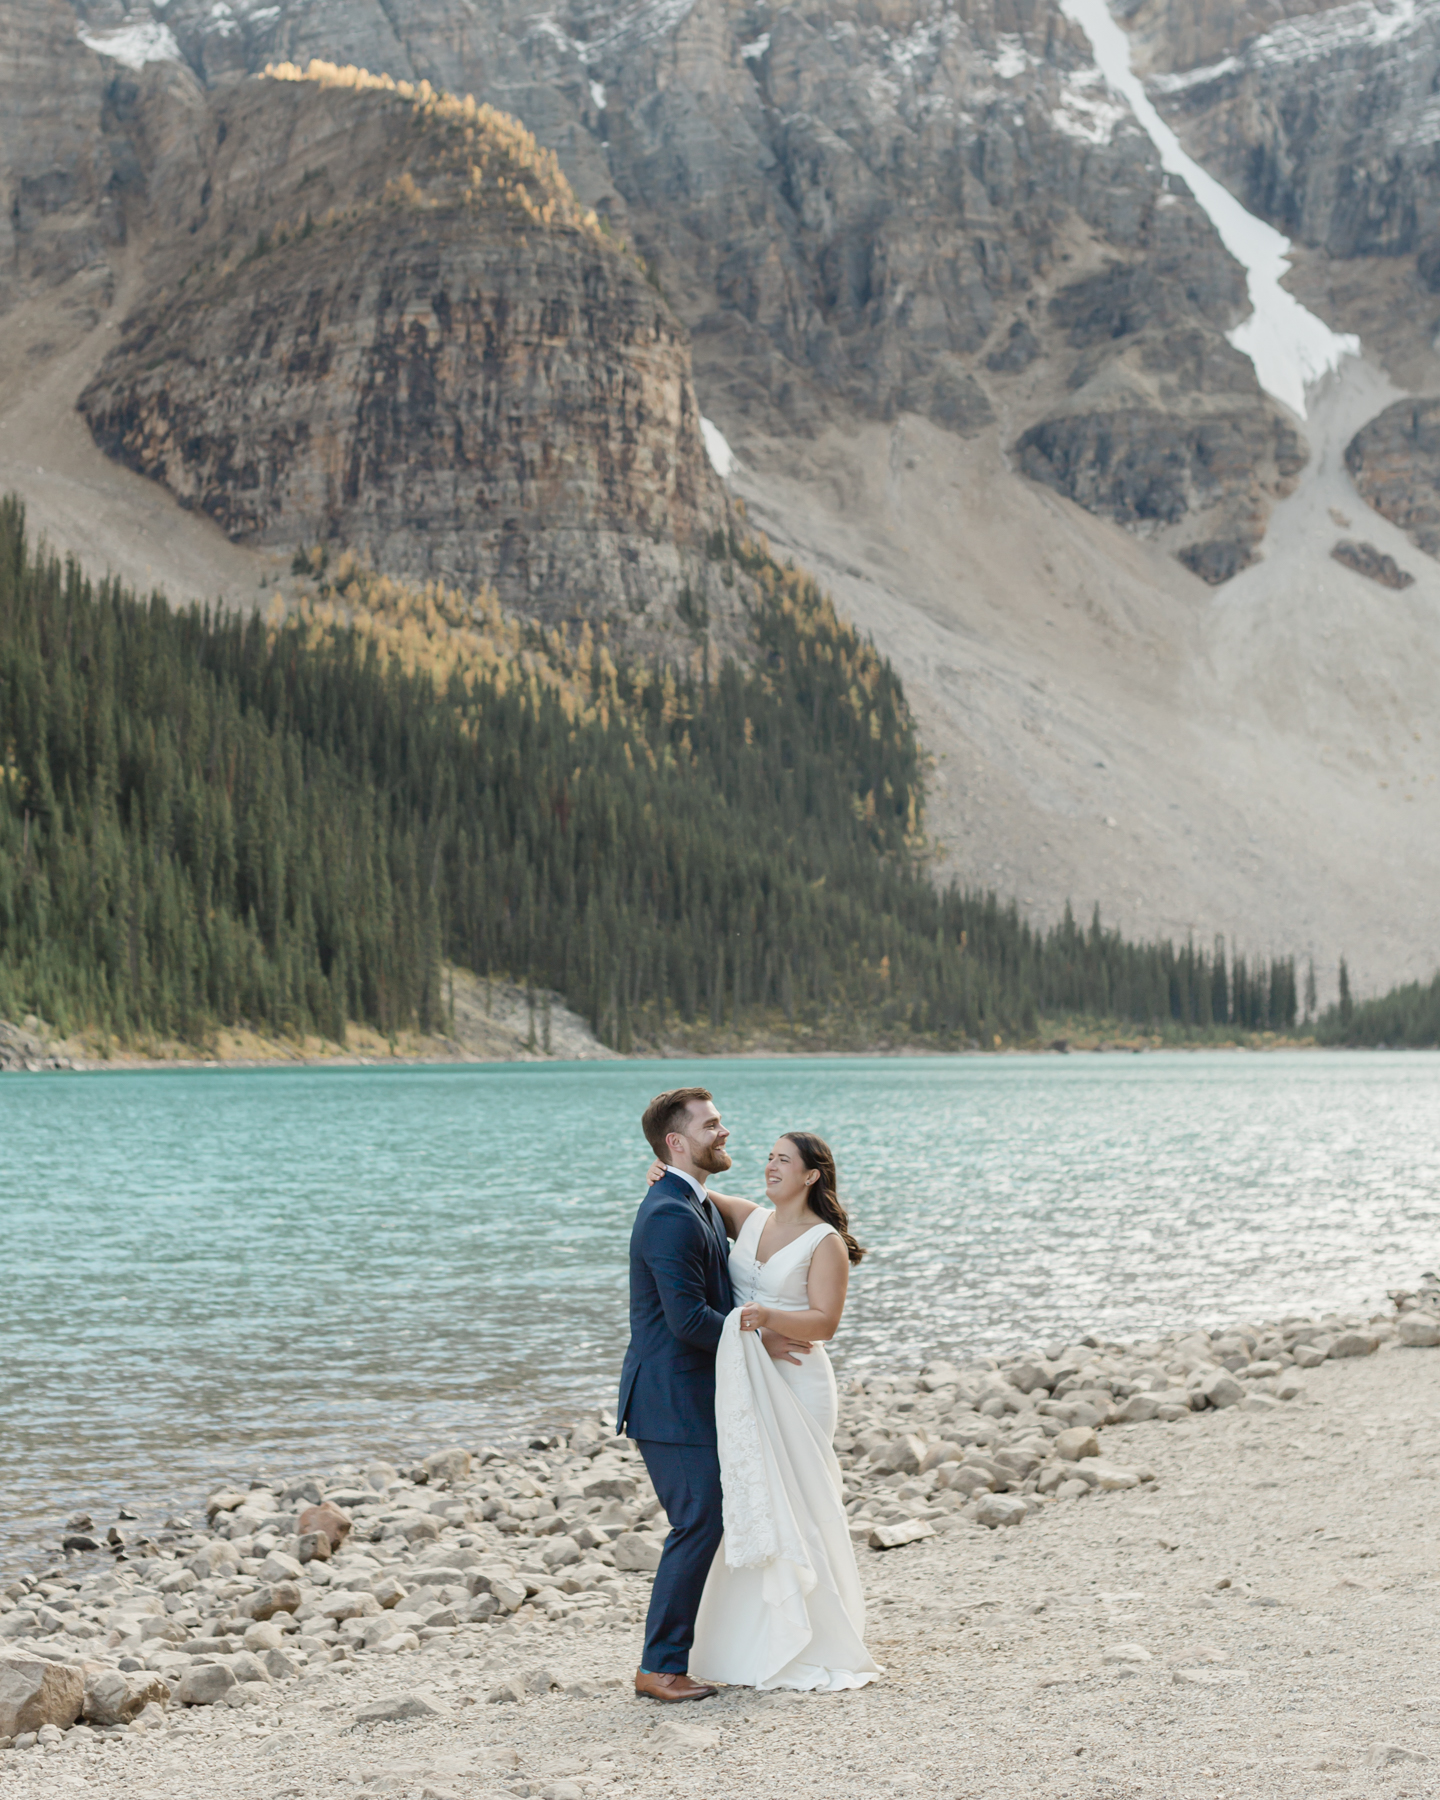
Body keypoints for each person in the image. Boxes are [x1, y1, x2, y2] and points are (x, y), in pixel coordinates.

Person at [619, 1087, 813, 1703]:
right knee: (697, 1520)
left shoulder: (691, 1200)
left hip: (695, 1393)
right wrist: (765, 1341)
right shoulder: (670, 1213)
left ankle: (694, 1652)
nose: (724, 1132)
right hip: (668, 1399)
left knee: (707, 1518)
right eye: (711, 1125)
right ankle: (659, 1667)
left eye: (721, 1121)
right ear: (677, 1141)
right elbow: (686, 1320)